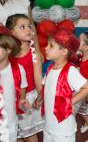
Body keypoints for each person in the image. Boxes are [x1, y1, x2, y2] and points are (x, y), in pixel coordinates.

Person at [43, 28, 88, 142]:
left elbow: (87, 88)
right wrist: (39, 99)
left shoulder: (70, 71)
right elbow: (46, 87)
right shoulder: (50, 68)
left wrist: (69, 101)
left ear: (64, 51)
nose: (45, 48)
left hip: (63, 128)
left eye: (51, 46)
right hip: (49, 124)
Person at [5, 14, 43, 142]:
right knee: (15, 135)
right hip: (9, 98)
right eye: (22, 27)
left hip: (28, 99)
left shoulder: (34, 53)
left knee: (30, 135)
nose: (28, 29)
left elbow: (38, 78)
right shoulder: (6, 53)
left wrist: (40, 97)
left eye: (29, 26)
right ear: (12, 32)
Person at [0, 26, 30, 142]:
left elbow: (22, 87)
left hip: (9, 123)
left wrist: (22, 99)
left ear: (8, 50)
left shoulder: (17, 70)